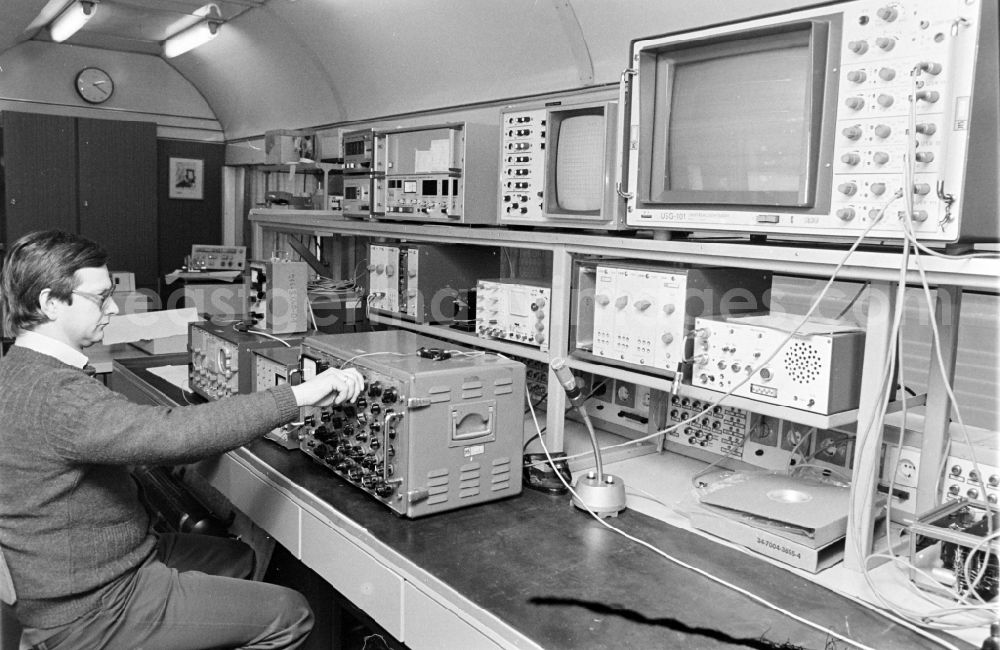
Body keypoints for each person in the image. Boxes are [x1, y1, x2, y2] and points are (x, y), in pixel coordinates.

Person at [0, 230, 365, 650]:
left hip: (94, 566)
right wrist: (297, 396)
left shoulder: (21, 367)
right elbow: (176, 432)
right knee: (291, 612)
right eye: (100, 297)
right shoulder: (55, 393)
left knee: (242, 558)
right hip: (95, 605)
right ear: (49, 303)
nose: (113, 307)